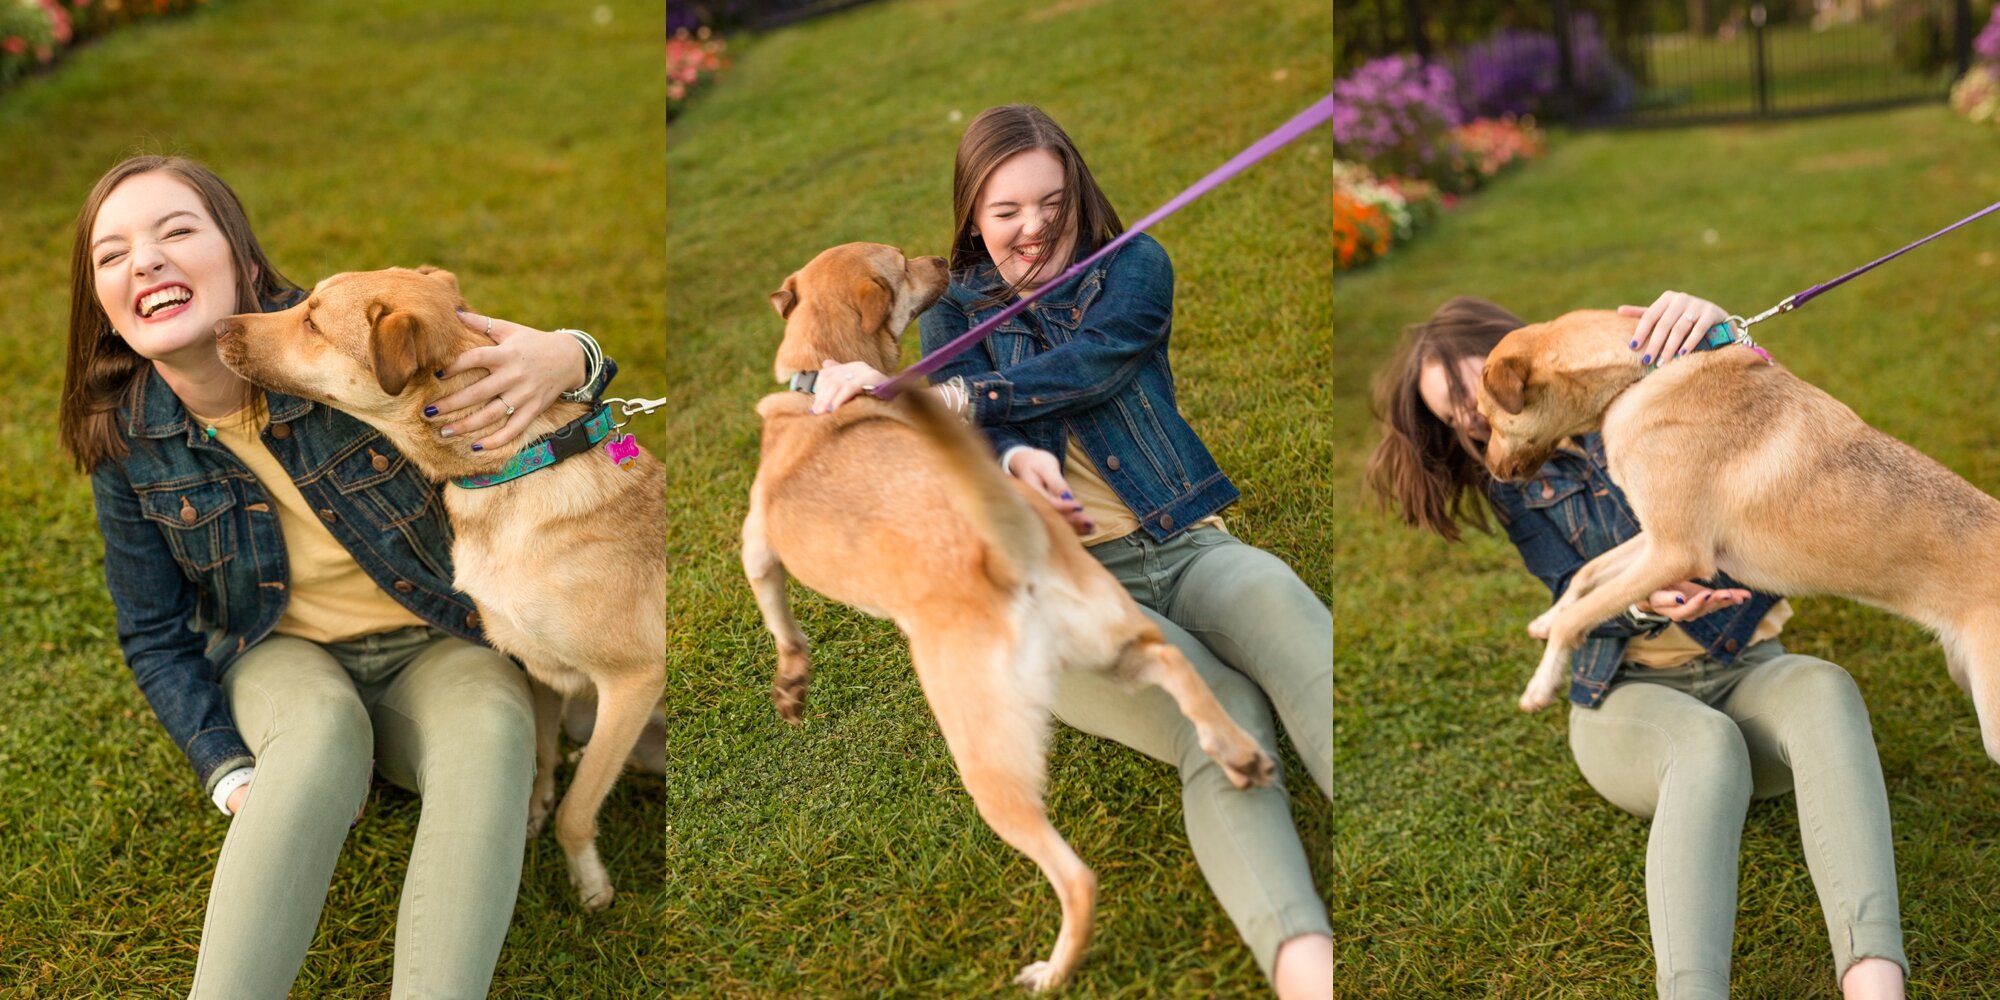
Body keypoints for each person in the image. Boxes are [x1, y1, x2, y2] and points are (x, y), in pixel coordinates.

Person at [57, 154, 614, 998]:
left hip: (434, 639)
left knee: (495, 728)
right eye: (114, 254)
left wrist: (576, 356)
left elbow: (581, 427)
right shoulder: (128, 439)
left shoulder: (346, 333)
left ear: (244, 262)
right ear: (102, 302)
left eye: (176, 232)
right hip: (279, 653)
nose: (147, 261)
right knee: (318, 736)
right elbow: (153, 634)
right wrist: (227, 768)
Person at [811, 105, 1332, 999]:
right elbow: (963, 456)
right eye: (1006, 211)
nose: (1036, 226)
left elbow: (1097, 362)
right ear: (973, 218)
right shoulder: (957, 313)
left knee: (1288, 615)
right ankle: (1304, 970)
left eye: (1052, 201)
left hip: (1181, 537)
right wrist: (956, 431)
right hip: (1052, 592)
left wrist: (954, 397)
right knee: (1223, 719)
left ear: (1079, 191)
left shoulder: (1134, 266)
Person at [1365, 292, 1907, 1000]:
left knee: (1826, 688)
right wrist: (1648, 601)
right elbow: (1569, 587)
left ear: (1521, 357)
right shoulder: (1519, 486)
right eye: (1454, 413)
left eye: (1475, 390)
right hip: (1627, 700)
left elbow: (1778, 423)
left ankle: (1876, 982)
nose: (1474, 414)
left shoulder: (1668, 388)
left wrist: (1711, 326)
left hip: (1747, 668)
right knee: (1706, 747)